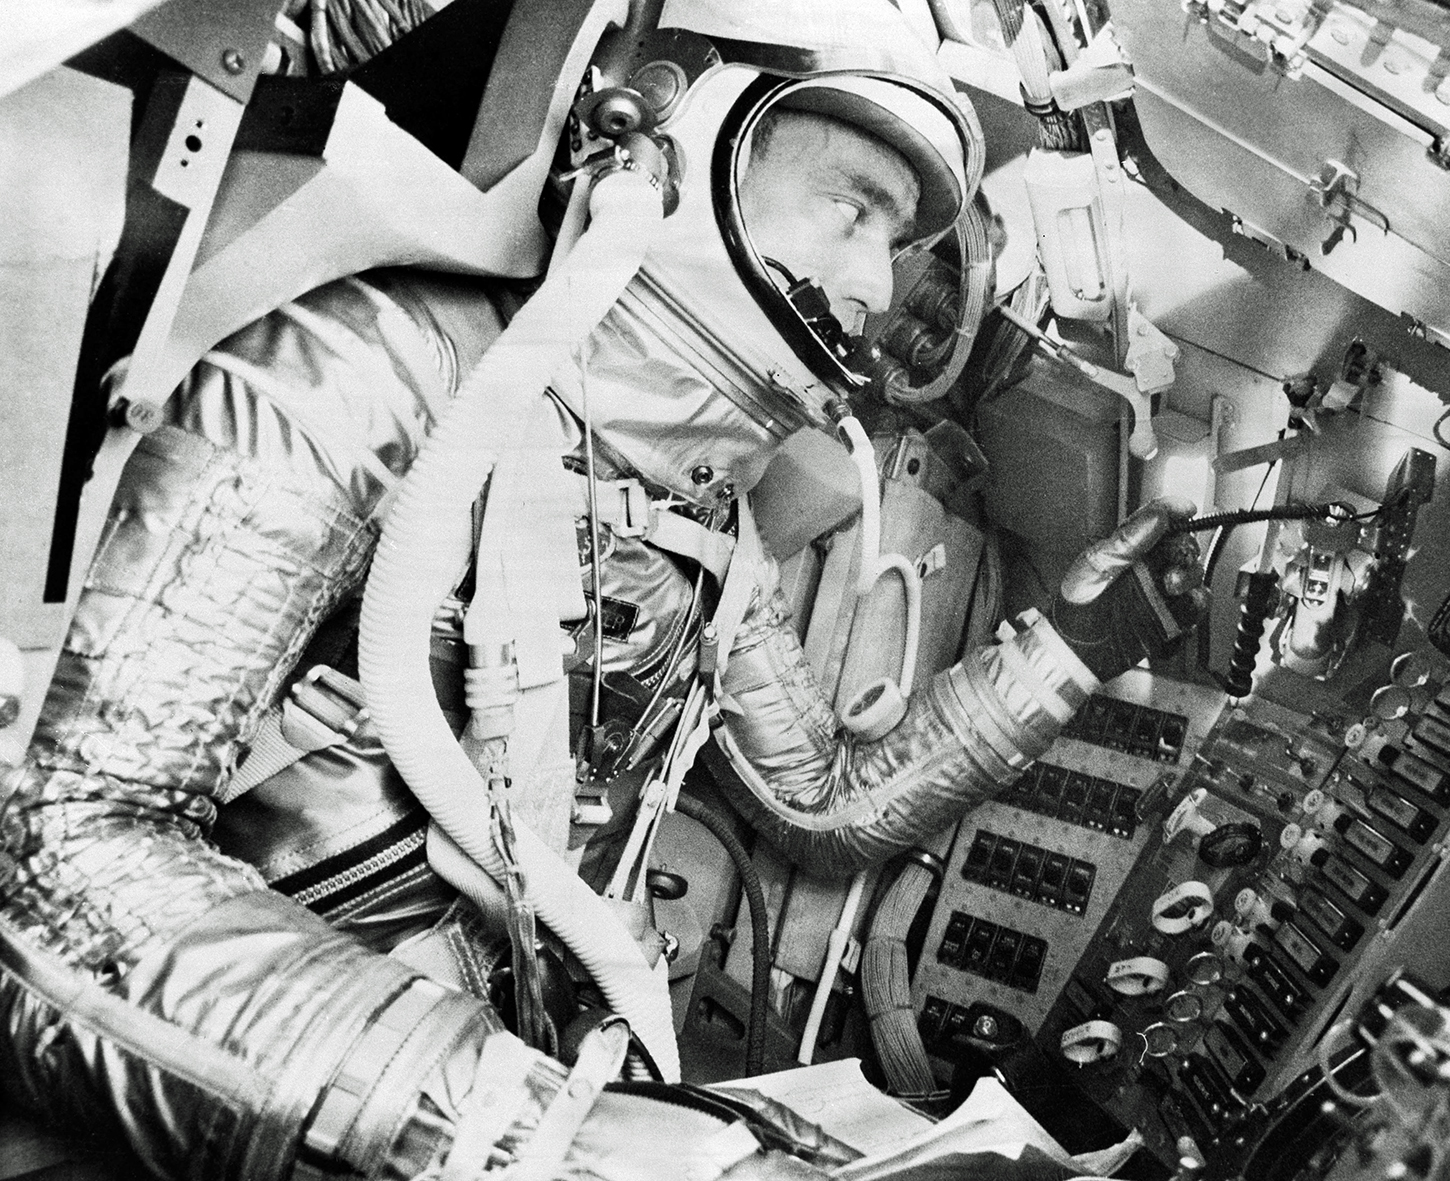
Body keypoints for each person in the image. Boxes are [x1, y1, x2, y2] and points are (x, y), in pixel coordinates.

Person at [0, 2, 1201, 1177]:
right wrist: (546, 1140)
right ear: (666, 130)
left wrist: (1075, 642)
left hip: (479, 1060)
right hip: (260, 1093)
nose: (878, 288)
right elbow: (45, 861)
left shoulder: (711, 530)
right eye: (850, 207)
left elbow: (823, 803)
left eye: (893, 245)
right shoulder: (384, 372)